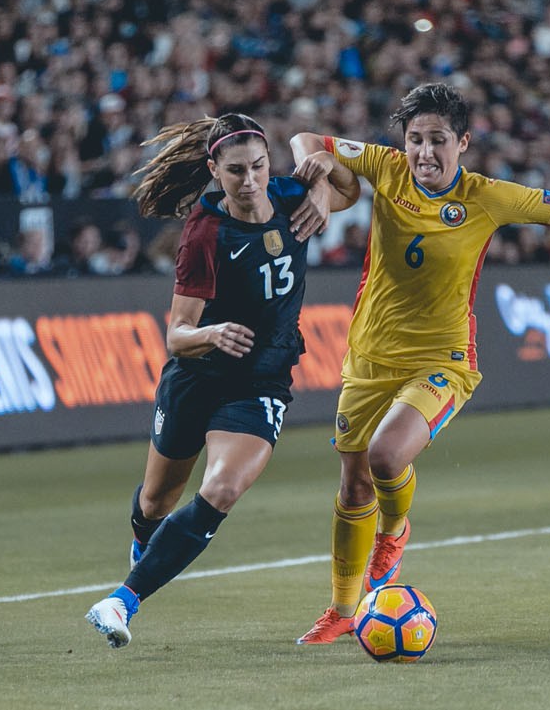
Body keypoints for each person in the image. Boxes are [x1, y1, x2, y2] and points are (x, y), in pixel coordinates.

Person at [290, 83, 550, 645]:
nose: (424, 153)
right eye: (415, 139)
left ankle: (393, 533)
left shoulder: (488, 196)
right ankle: (343, 610)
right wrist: (315, 174)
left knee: (386, 457)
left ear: (462, 142)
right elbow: (305, 139)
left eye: (438, 140)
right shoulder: (385, 167)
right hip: (368, 358)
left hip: (444, 360)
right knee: (352, 483)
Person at [84, 112, 360, 649]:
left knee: (223, 488)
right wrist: (210, 333)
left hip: (260, 380)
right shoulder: (204, 234)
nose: (251, 180)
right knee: (155, 504)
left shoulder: (289, 195)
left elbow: (353, 185)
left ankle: (121, 601)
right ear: (214, 170)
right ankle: (147, 546)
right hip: (198, 376)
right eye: (236, 171)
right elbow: (177, 334)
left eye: (258, 166)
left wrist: (325, 174)